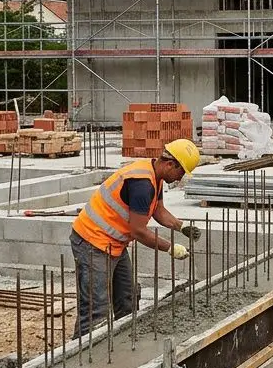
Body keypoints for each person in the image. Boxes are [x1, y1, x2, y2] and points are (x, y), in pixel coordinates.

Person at [70, 138, 202, 337]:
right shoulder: (142, 184)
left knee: (127, 300)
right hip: (92, 241)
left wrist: (181, 226)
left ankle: (122, 346)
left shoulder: (154, 176)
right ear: (169, 164)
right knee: (96, 309)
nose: (179, 178)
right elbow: (138, 232)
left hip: (113, 242)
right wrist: (170, 248)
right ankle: (82, 355)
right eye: (180, 172)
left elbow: (158, 210)